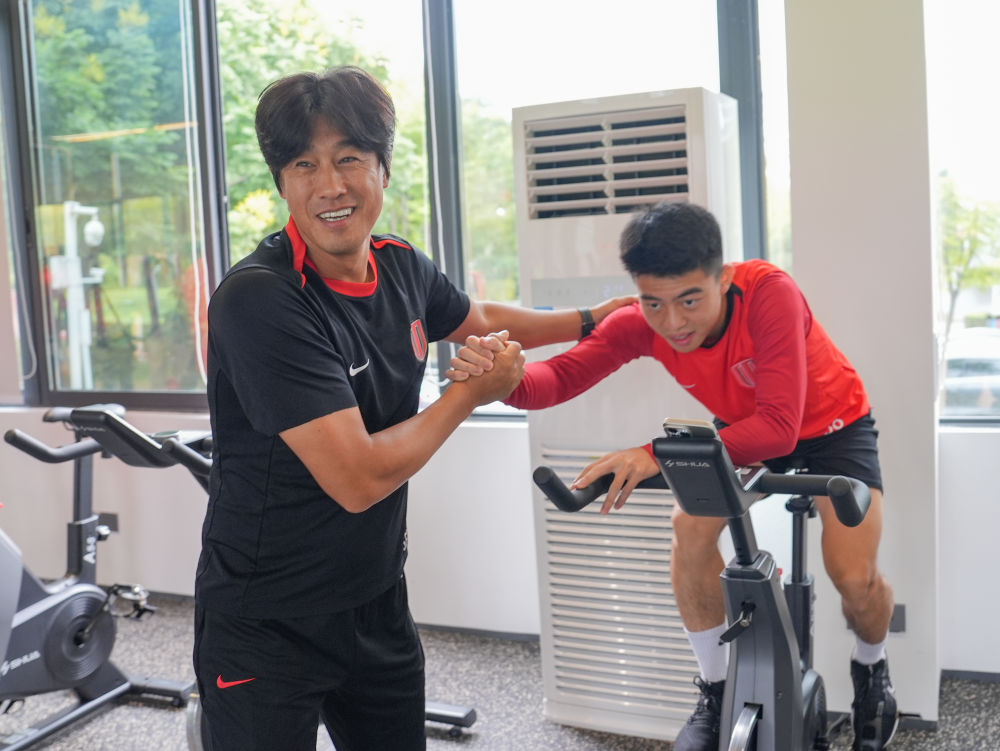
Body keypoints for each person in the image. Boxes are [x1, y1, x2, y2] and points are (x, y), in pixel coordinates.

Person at [193, 66, 632, 751]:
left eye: (349, 159)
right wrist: (469, 393)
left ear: (382, 169)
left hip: (375, 600)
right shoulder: (261, 299)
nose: (330, 185)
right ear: (281, 182)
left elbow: (478, 316)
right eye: (305, 164)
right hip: (267, 618)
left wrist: (588, 319)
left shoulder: (400, 265)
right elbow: (358, 478)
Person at [448, 201, 898, 751]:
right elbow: (558, 378)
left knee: (854, 578)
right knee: (689, 527)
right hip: (744, 427)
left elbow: (780, 429)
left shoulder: (768, 292)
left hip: (831, 426)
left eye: (689, 300)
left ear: (722, 278)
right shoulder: (640, 323)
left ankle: (872, 669)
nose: (673, 322)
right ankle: (716, 690)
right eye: (653, 303)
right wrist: (500, 377)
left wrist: (652, 455)